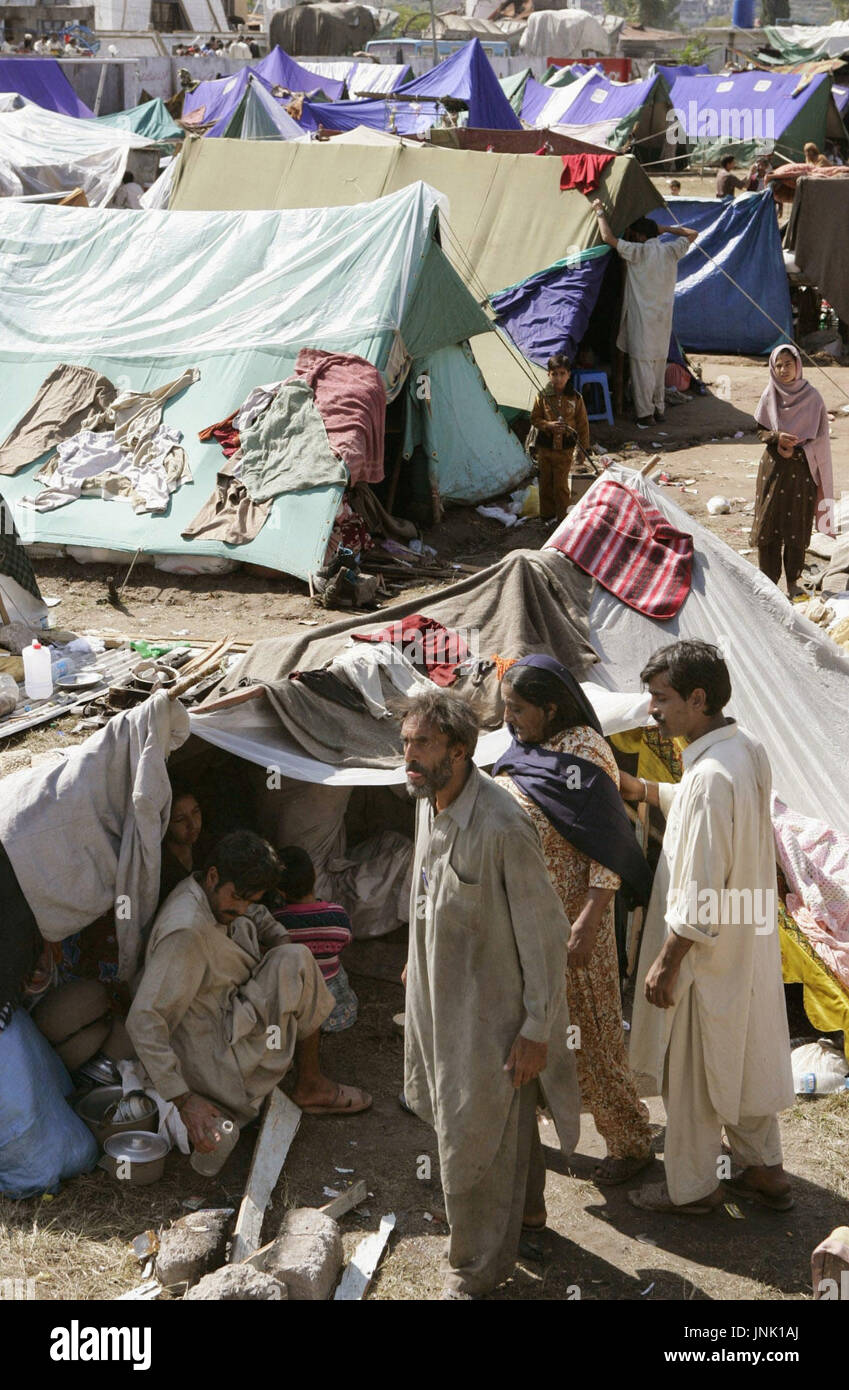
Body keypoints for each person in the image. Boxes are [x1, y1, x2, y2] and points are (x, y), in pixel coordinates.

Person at [402, 689, 580, 1299]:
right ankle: (529, 1217)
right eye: (406, 743)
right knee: (502, 1120)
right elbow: (426, 891)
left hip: (490, 1014)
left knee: (470, 1129)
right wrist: (414, 962)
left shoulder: (503, 824)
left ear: (458, 750)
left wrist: (536, 1027)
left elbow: (546, 933)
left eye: (422, 744)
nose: (410, 756)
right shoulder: (428, 803)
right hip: (439, 996)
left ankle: (474, 1270)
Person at [622, 641, 795, 1216]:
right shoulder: (744, 750)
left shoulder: (709, 777)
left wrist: (667, 964)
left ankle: (693, 1189)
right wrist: (646, 790)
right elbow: (718, 816)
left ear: (698, 699)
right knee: (739, 1052)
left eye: (661, 698)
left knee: (692, 1069)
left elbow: (696, 888)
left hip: (702, 950)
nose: (652, 710)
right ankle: (765, 1171)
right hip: (744, 940)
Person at [493, 656, 655, 1185]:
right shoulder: (528, 747)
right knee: (537, 1026)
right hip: (528, 922)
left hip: (576, 921)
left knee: (594, 1030)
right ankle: (539, 1125)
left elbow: (610, 839)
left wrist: (589, 918)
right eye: (506, 706)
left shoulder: (584, 752)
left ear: (551, 706)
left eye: (518, 708)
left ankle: (630, 1143)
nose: (508, 717)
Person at [127, 832, 372, 1154]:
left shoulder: (211, 892)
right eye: (238, 897)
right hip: (211, 1051)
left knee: (293, 956)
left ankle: (307, 1081)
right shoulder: (186, 931)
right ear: (214, 875)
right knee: (297, 963)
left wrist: (279, 937)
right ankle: (309, 1085)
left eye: (250, 899)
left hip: (231, 1010)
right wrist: (184, 1099)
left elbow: (254, 913)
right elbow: (144, 1019)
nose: (242, 907)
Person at [592, 201, 698, 428]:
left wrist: (600, 212)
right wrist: (667, 229)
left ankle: (645, 414)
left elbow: (608, 238)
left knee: (642, 369)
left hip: (642, 320)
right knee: (658, 366)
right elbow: (693, 233)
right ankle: (659, 409)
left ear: (639, 236)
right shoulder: (670, 250)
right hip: (663, 319)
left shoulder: (638, 252)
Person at [750, 344, 833, 598]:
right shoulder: (770, 394)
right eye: (778, 364)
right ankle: (768, 583)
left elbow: (821, 436)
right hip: (774, 469)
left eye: (788, 363)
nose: (783, 369)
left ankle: (793, 582)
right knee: (769, 526)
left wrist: (798, 448)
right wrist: (777, 438)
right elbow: (760, 429)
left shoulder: (813, 397)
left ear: (798, 365)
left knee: (797, 527)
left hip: (802, 469)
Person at [272, 845, 359, 1033]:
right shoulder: (338, 915)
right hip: (337, 1008)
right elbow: (346, 940)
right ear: (315, 875)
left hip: (299, 1004)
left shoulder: (277, 922)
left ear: (281, 892)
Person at [529, 353, 590, 524]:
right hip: (545, 448)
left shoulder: (576, 398)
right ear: (548, 374)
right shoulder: (542, 396)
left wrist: (583, 449)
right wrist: (548, 425)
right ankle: (547, 517)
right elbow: (534, 418)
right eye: (554, 374)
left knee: (561, 485)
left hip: (565, 449)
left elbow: (583, 424)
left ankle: (563, 520)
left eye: (562, 373)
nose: (558, 378)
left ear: (569, 374)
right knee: (546, 483)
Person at [159, 785, 205, 906]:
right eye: (180, 819)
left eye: (195, 812)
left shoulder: (206, 847)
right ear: (166, 824)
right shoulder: (161, 866)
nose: (193, 824)